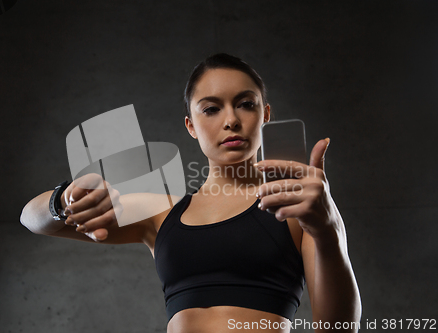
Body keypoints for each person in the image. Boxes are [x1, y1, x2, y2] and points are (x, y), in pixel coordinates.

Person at [21, 53, 362, 332]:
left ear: (265, 115)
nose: (231, 120)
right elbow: (32, 218)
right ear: (191, 126)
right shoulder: (162, 214)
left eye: (245, 104)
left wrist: (327, 230)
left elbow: (338, 330)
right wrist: (65, 198)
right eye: (211, 109)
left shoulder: (302, 210)